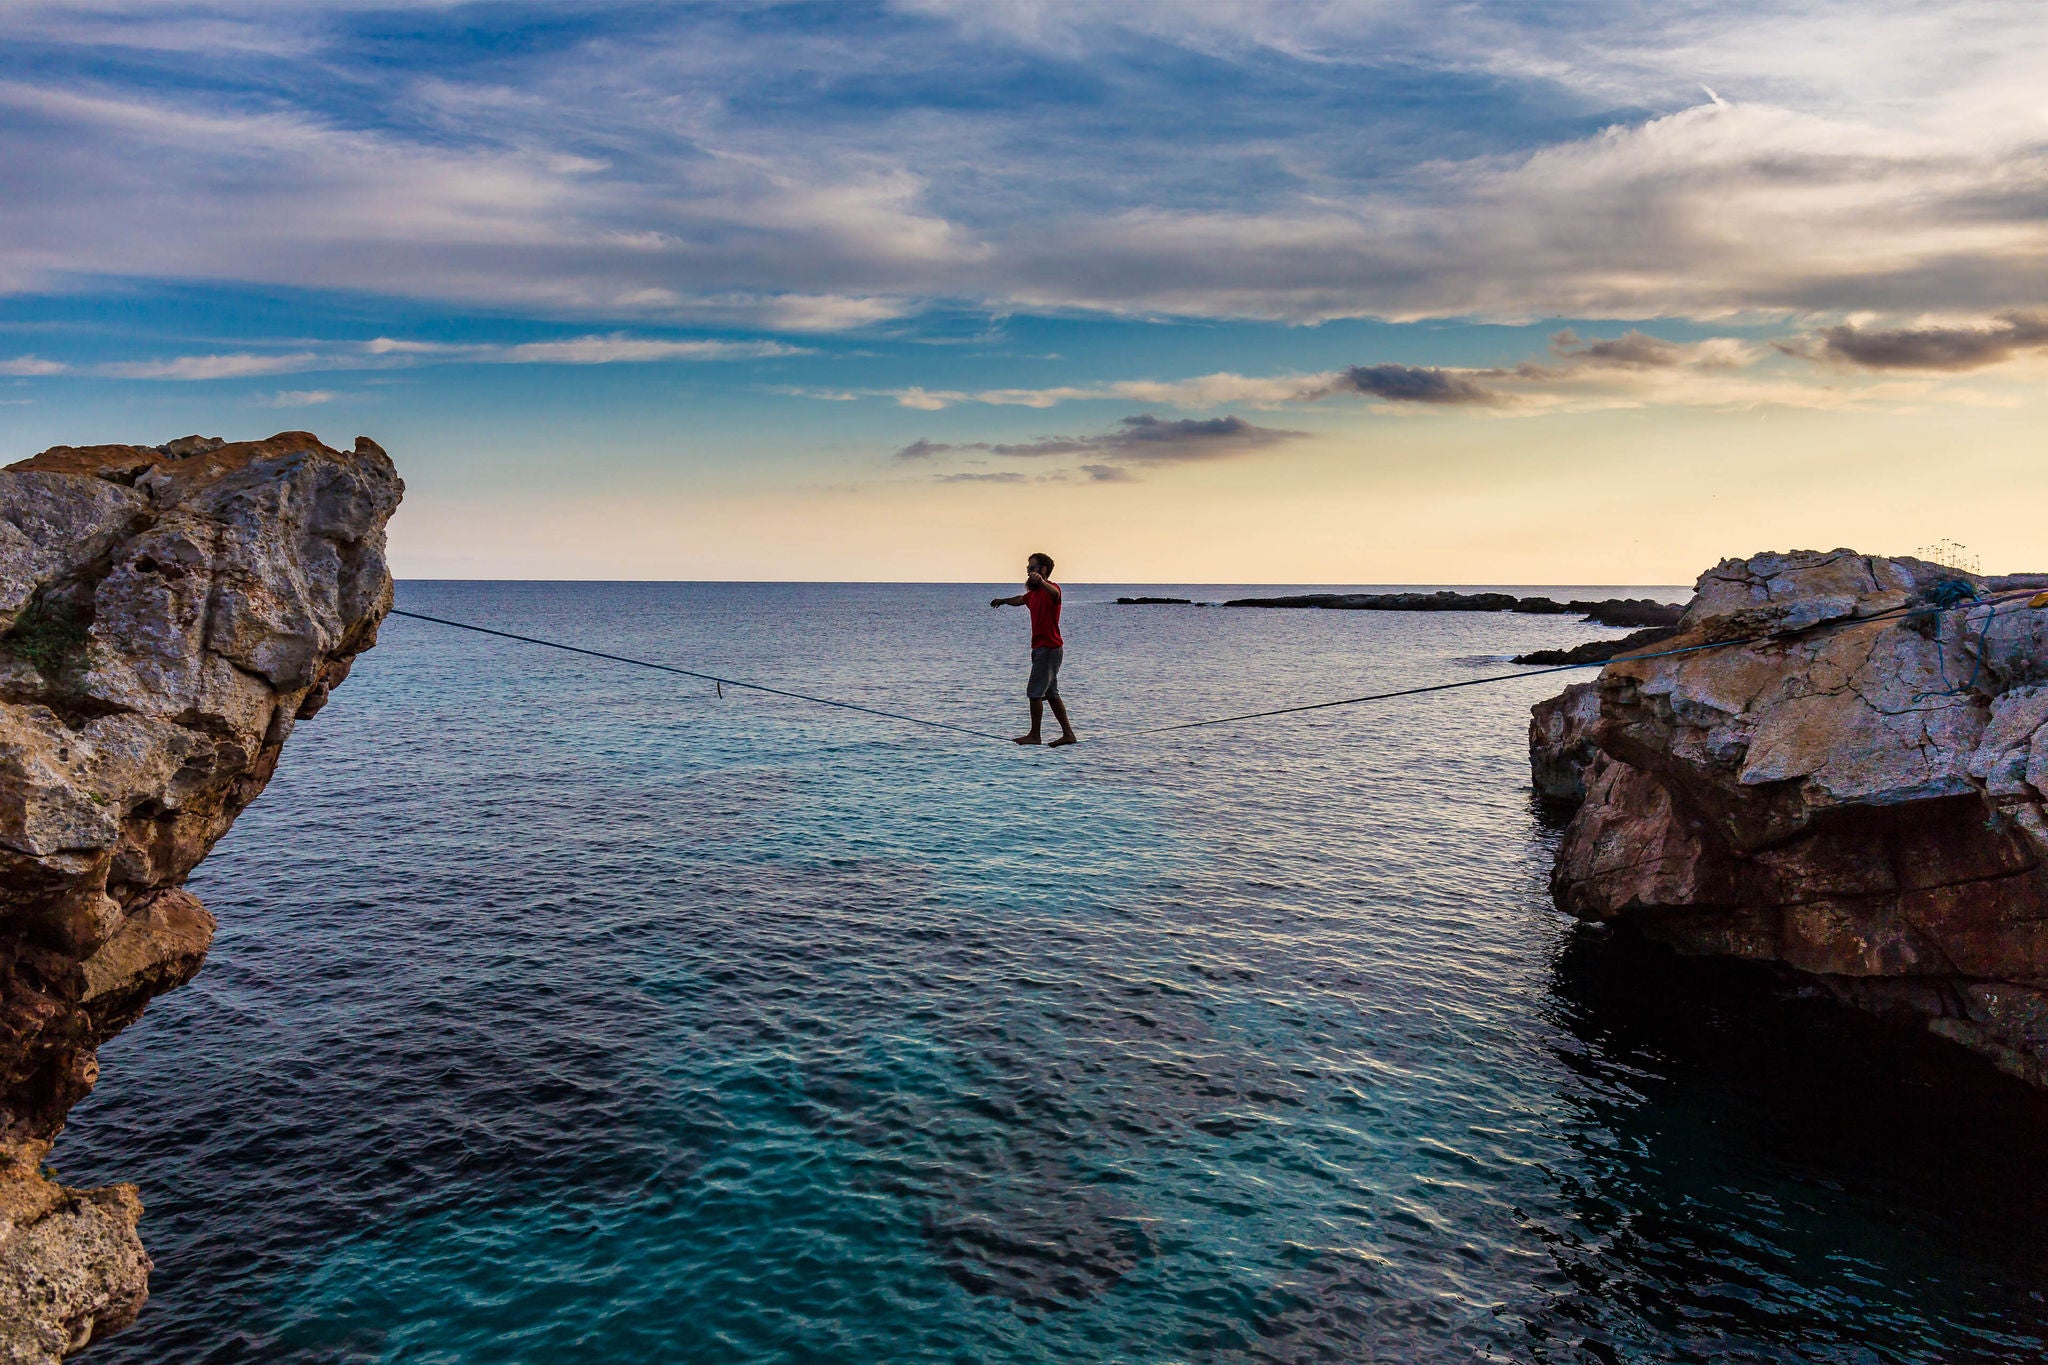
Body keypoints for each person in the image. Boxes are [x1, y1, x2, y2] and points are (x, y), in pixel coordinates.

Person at [990, 552, 1078, 746]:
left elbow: (1055, 594)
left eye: (1031, 568)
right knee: (1051, 693)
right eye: (1028, 569)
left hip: (1048, 649)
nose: (1028, 572)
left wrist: (1042, 581)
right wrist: (1003, 601)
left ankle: (1035, 736)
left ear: (1042, 570)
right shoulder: (1033, 595)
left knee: (1034, 693)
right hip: (1043, 649)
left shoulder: (1051, 590)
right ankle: (1068, 735)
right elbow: (1019, 599)